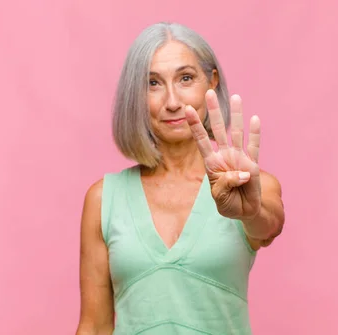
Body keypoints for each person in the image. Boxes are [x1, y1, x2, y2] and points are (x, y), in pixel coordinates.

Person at [75, 22, 285, 335]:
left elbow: (268, 226)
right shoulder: (104, 198)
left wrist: (251, 211)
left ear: (211, 82)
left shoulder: (247, 186)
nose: (172, 101)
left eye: (185, 78)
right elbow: (94, 325)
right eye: (153, 83)